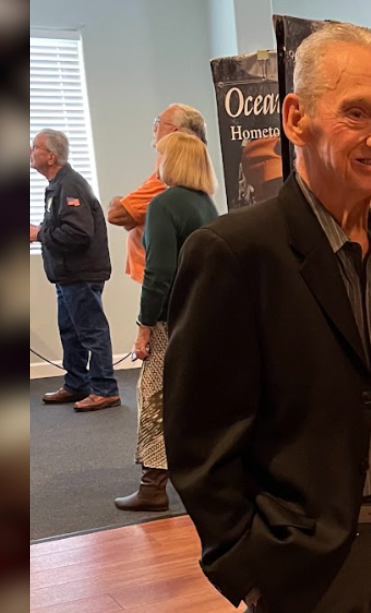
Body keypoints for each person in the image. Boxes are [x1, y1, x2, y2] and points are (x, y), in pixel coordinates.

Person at [163, 24, 371, 613]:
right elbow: (199, 439)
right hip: (306, 572)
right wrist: (251, 574)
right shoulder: (233, 253)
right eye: (358, 112)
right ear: (297, 118)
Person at [113, 132, 219, 512]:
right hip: (202, 315)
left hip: (169, 319)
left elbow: (158, 272)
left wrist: (144, 326)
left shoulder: (164, 204)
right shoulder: (205, 205)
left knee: (154, 396)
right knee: (195, 396)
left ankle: (152, 486)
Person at [30, 129, 120, 412]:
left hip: (81, 274)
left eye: (34, 147)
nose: (30, 152)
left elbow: (78, 233)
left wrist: (39, 234)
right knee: (70, 332)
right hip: (67, 275)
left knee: (91, 331)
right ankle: (76, 383)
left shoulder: (70, 185)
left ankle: (105, 389)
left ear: (51, 156)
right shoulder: (57, 184)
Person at [106, 103, 208, 284]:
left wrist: (119, 201)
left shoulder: (167, 183)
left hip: (164, 282)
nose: (154, 127)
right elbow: (128, 217)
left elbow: (117, 214)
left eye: (159, 122)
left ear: (174, 132)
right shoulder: (187, 181)